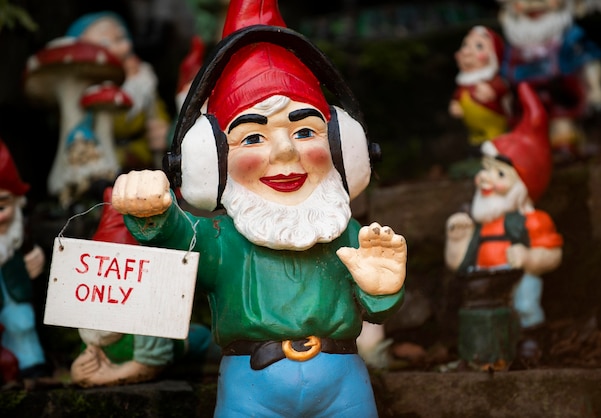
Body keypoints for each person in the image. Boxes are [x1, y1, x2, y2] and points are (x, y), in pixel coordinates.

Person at [110, 0, 407, 415]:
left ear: (342, 144)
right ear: (209, 160)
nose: (285, 152)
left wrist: (383, 291)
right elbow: (177, 240)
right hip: (251, 388)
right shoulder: (222, 239)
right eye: (252, 138)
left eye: (305, 130)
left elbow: (379, 307)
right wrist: (153, 211)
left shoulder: (348, 233)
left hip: (343, 383)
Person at [445, 83, 563, 365]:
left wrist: (530, 256)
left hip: (516, 277)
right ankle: (481, 350)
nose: (485, 179)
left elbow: (552, 253)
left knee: (524, 303)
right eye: (484, 170)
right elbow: (459, 262)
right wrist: (458, 241)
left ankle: (530, 340)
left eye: (499, 173)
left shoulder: (531, 220)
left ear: (521, 186)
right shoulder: (479, 222)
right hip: (484, 283)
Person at [70, 187, 220, 388]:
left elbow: (149, 365)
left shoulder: (143, 317)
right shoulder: (92, 322)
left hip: (187, 343)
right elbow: (87, 357)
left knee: (207, 344)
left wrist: (102, 378)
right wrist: (78, 369)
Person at [497, 0, 601, 158]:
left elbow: (588, 61)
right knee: (528, 132)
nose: (533, 4)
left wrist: (596, 88)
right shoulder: (514, 46)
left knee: (563, 131)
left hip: (561, 96)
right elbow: (505, 72)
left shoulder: (570, 38)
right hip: (525, 100)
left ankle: (565, 147)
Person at [66, 11, 171, 171]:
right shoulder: (86, 93)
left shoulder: (143, 83)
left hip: (143, 156)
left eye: (121, 39)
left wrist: (165, 133)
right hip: (102, 161)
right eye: (105, 43)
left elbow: (158, 115)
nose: (121, 48)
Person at [0, 139, 48, 378]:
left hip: (14, 296)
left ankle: (31, 364)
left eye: (1, 208)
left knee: (21, 321)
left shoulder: (18, 238)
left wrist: (34, 258)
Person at [449, 26, 511, 151]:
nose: (467, 52)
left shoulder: (493, 80)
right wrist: (455, 104)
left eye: (478, 46)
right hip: (474, 130)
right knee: (475, 147)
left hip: (494, 126)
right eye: (465, 45)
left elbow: (502, 90)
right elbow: (458, 96)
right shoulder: (463, 83)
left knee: (495, 143)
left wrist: (492, 92)